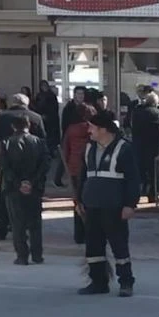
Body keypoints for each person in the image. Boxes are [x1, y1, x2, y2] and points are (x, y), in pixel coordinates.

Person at [75, 111, 139, 297]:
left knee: (119, 245)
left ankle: (126, 282)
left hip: (114, 206)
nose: (89, 131)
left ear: (103, 129)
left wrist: (130, 205)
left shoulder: (124, 148)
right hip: (92, 205)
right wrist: (79, 201)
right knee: (93, 246)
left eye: (92, 128)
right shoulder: (89, 149)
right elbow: (83, 177)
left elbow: (133, 179)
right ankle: (98, 282)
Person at [0, 93, 45, 240]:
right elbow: (43, 140)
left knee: (6, 195)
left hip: (8, 160)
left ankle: (1, 229)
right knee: (31, 197)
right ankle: (29, 229)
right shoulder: (36, 117)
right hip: (32, 162)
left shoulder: (2, 117)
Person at [0, 114, 49, 266]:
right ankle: (37, 255)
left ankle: (22, 255)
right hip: (34, 188)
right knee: (35, 222)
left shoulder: (7, 143)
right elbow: (45, 164)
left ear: (13, 127)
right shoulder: (39, 142)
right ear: (29, 126)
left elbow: (4, 167)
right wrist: (32, 182)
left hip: (14, 188)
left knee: (18, 223)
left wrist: (19, 183)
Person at [61, 105, 92, 245]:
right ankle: (90, 231)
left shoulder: (71, 129)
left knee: (77, 200)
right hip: (90, 167)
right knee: (90, 200)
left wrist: (66, 165)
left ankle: (79, 235)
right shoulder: (92, 129)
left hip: (74, 166)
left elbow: (65, 148)